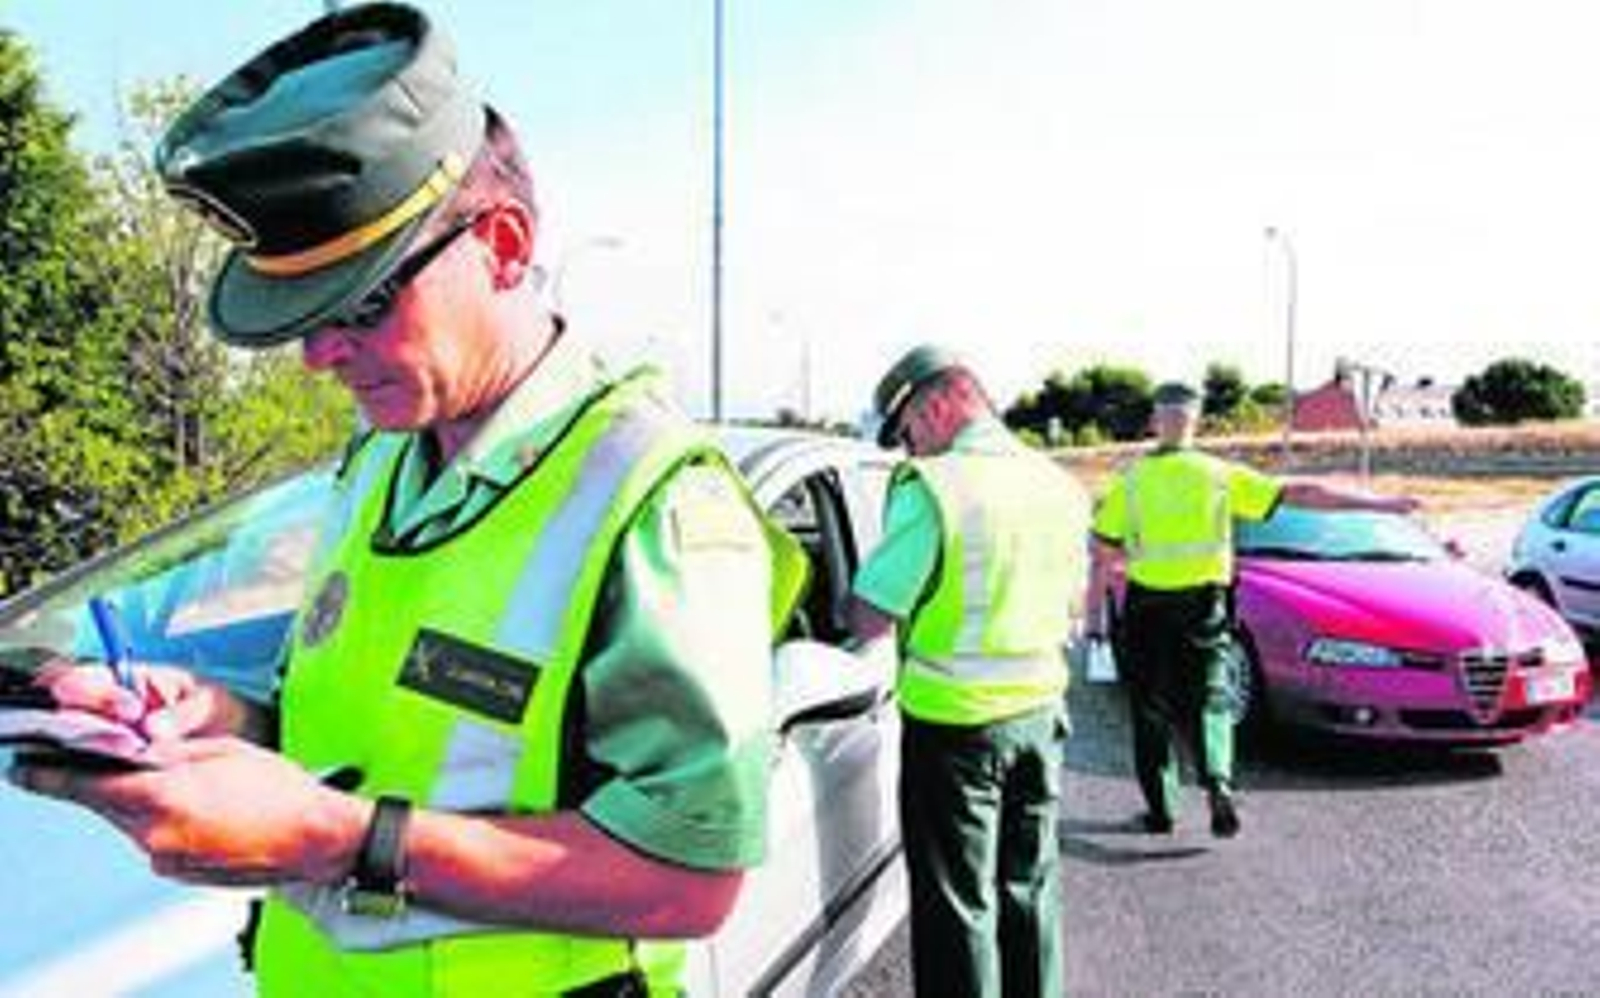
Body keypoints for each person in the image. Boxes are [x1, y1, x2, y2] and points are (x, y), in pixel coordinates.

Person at [7, 5, 806, 996]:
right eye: (304, 314)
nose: (318, 354)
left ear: (503, 244)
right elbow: (361, 729)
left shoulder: (656, 500)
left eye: (363, 302)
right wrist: (209, 713)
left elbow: (689, 881)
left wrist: (336, 838)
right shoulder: (379, 463)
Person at [843, 345, 1090, 998]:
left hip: (956, 730)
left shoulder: (936, 488)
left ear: (936, 406)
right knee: (1030, 887)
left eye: (908, 433)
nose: (911, 450)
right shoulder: (1059, 486)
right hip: (1041, 720)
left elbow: (871, 617)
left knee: (957, 908)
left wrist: (841, 599)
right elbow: (1075, 606)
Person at [1085, 380, 1417, 839]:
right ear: (1197, 422)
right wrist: (1382, 504)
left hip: (1148, 606)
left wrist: (1095, 623)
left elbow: (1102, 555)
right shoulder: (1219, 475)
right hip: (1205, 603)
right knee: (1211, 696)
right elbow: (1304, 493)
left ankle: (1161, 810)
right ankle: (1218, 781)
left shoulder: (1132, 481)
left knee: (1150, 708)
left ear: (1156, 421)